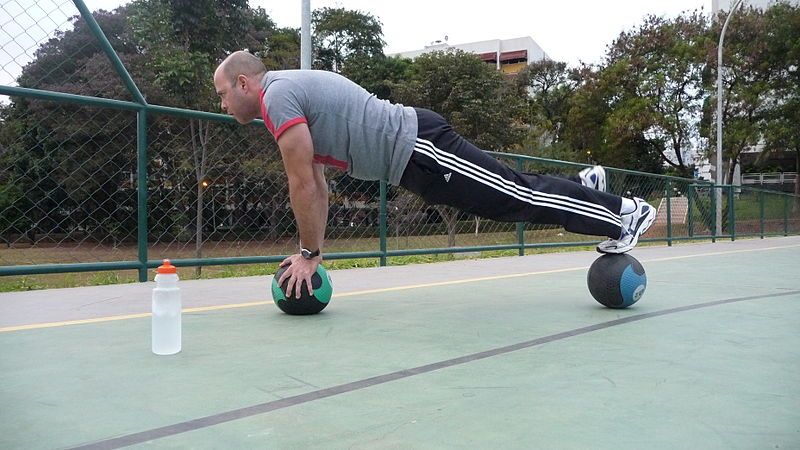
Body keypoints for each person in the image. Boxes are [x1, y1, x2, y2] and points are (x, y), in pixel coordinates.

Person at [212, 51, 656, 298]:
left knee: (511, 197)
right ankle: (582, 189)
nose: (223, 105)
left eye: (223, 94)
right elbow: (318, 189)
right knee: (508, 193)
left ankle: (623, 214)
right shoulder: (283, 97)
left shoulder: (277, 98)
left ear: (245, 83)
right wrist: (314, 252)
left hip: (420, 148)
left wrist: (309, 252)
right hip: (415, 159)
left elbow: (303, 186)